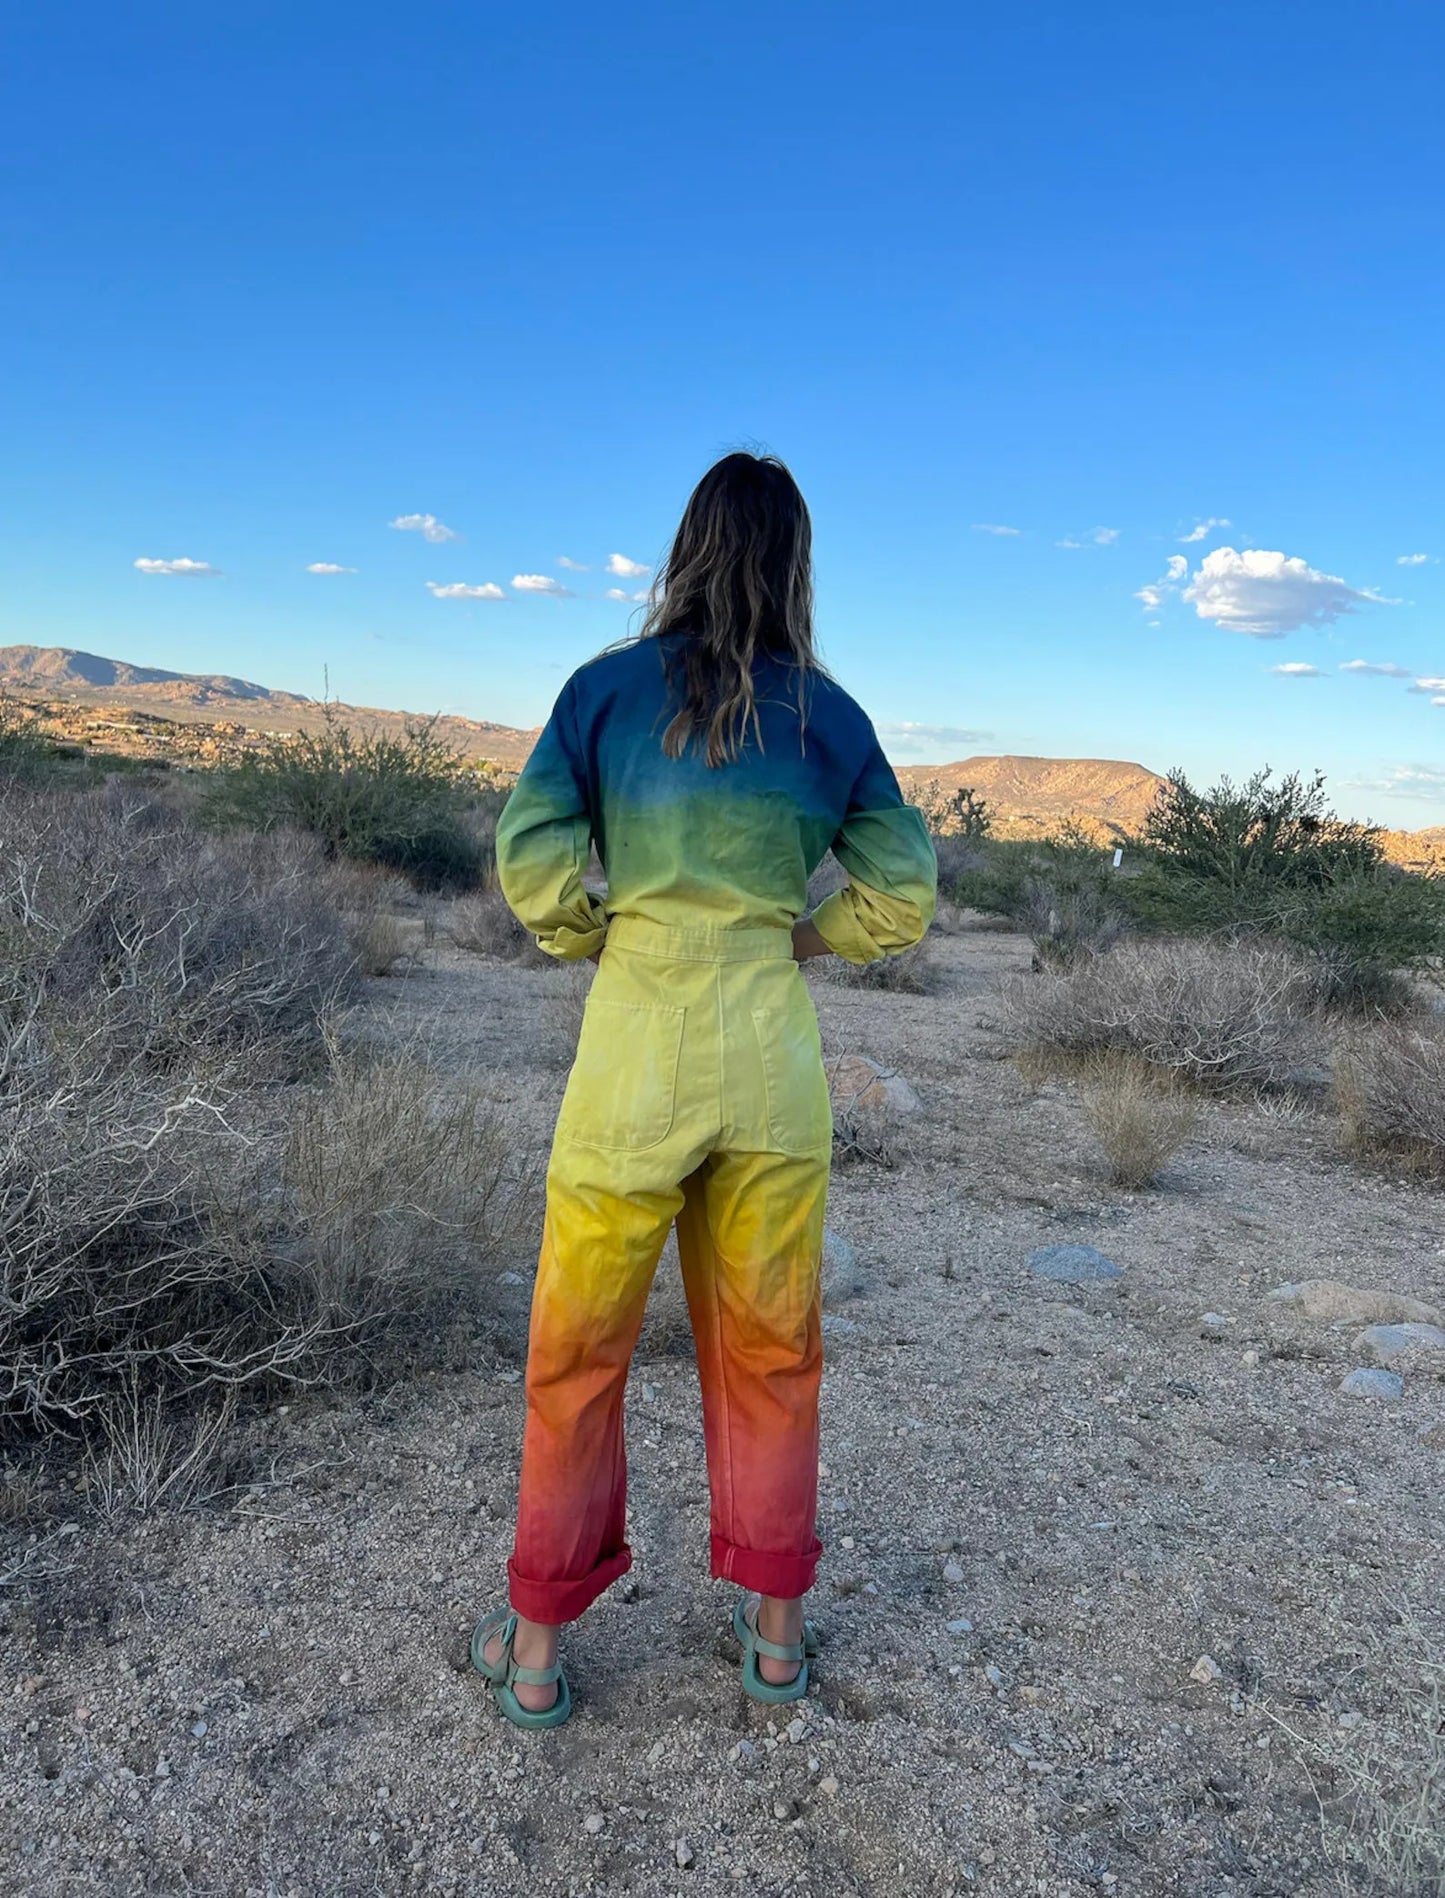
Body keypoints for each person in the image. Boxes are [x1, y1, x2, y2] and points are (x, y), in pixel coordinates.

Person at [470, 451, 937, 1728]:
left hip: (634, 1046)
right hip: (771, 1059)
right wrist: (785, 937)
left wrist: (597, 926)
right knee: (774, 1350)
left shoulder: (603, 693)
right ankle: (776, 1639)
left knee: (576, 1352)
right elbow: (899, 894)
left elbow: (531, 858)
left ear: (684, 546)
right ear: (795, 563)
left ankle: (533, 1647)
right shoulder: (828, 717)